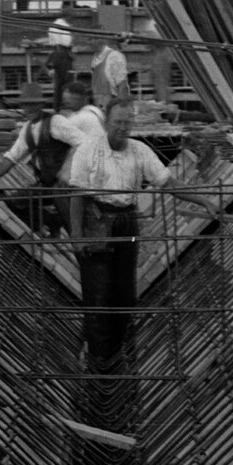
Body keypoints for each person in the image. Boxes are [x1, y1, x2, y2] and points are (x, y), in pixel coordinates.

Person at [65, 99, 175, 364]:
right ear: (106, 123)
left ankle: (118, 349)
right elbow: (77, 196)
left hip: (128, 223)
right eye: (118, 122)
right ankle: (99, 359)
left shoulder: (140, 151)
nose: (123, 128)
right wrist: (77, 238)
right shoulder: (88, 150)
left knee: (125, 291)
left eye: (128, 122)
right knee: (99, 293)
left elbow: (166, 181)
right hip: (97, 222)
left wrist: (204, 200)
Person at [0, 79, 105, 236]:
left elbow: (84, 143)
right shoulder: (28, 129)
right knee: (15, 203)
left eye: (33, 104)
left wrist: (68, 169)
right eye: (26, 105)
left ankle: (69, 232)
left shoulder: (56, 122)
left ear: (40, 105)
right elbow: (12, 157)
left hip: (67, 186)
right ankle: (51, 221)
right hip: (47, 185)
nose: (29, 109)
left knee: (77, 230)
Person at [89, 36, 130, 105]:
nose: (89, 42)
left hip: (110, 102)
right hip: (98, 102)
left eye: (92, 39)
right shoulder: (95, 58)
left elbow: (122, 85)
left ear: (101, 40)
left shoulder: (114, 57)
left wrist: (120, 106)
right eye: (89, 39)